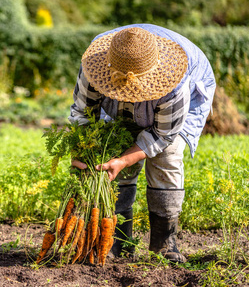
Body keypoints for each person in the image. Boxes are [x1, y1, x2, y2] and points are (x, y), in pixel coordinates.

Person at [69, 24, 216, 263]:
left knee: (166, 158)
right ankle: (118, 242)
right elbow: (83, 114)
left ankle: (164, 245)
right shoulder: (95, 67)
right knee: (112, 160)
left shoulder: (174, 82)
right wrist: (82, 151)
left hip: (175, 110)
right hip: (117, 98)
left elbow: (163, 135)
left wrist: (125, 159)